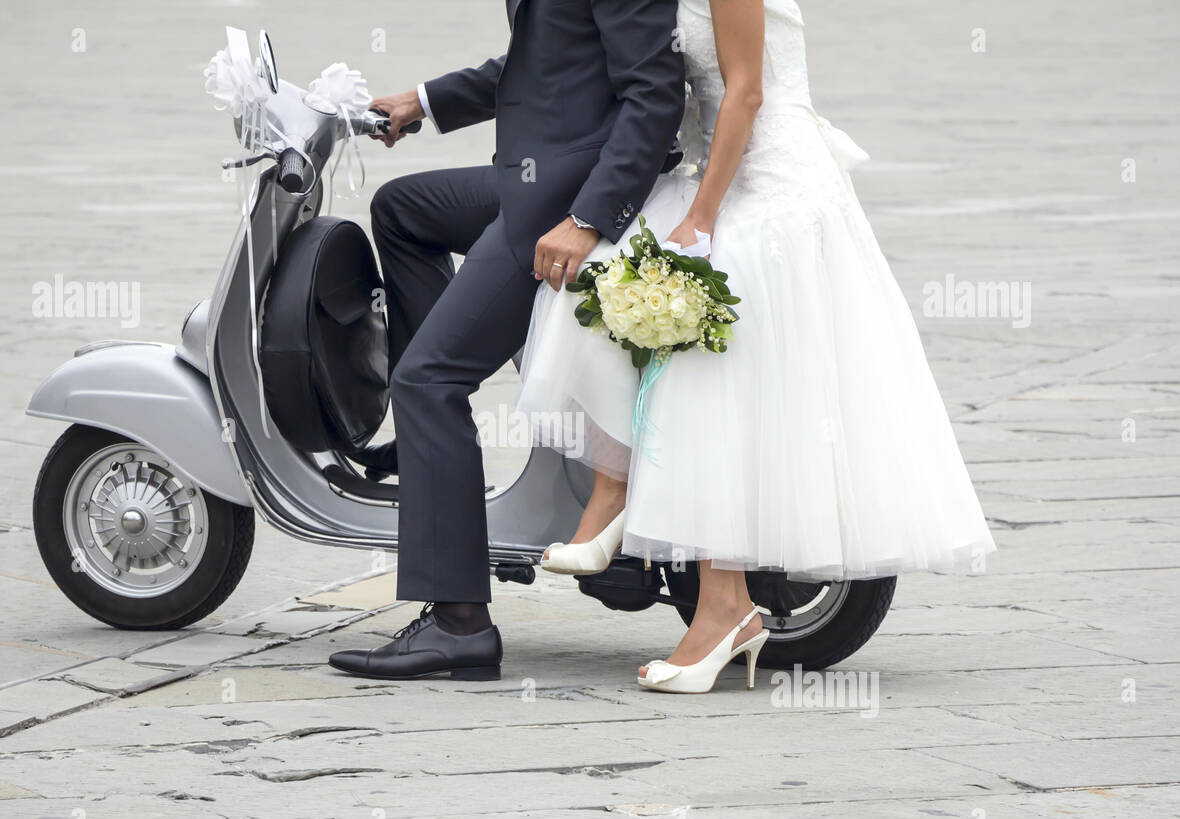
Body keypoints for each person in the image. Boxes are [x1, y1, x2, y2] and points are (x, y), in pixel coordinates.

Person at [518, 0, 997, 693]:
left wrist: (701, 220)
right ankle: (617, 488)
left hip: (771, 184)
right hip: (715, 168)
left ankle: (723, 611)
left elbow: (746, 89)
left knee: (710, 368)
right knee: (592, 279)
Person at [326, 0, 686, 681]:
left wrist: (586, 220)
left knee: (427, 381)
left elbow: (655, 93)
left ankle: (458, 622)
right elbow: (546, 63)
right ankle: (429, 452)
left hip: (568, 196)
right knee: (404, 211)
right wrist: (425, 102)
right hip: (544, 172)